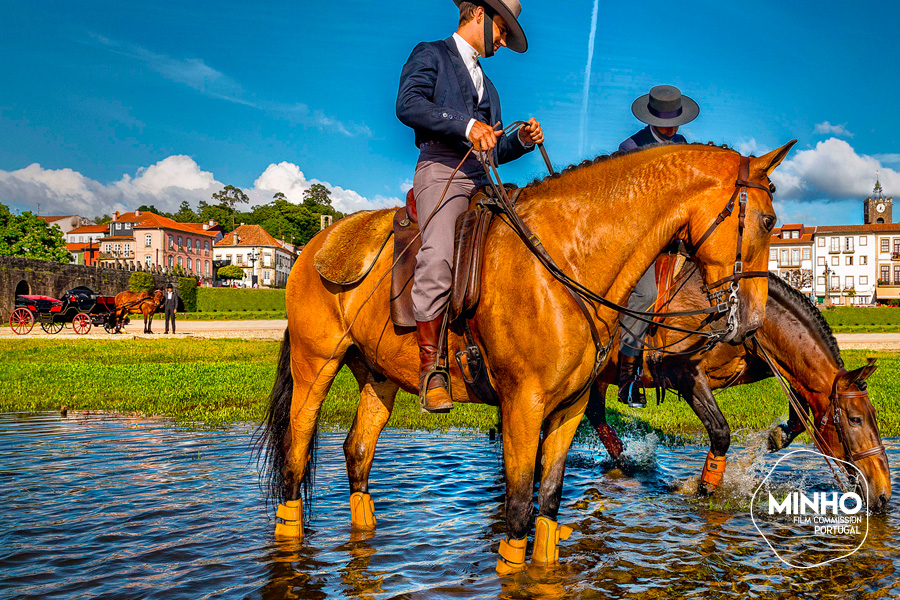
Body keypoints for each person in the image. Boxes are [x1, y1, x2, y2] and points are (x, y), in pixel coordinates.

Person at [396, 0, 543, 412]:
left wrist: (521, 142)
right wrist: (466, 125)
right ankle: (431, 369)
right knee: (440, 253)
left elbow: (492, 150)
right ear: (479, 13)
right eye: (501, 29)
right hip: (442, 169)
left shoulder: (489, 87)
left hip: (482, 177)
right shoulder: (430, 53)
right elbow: (408, 104)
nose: (502, 39)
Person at [616, 85, 699, 408]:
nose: (672, 128)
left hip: (678, 235)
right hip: (642, 237)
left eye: (676, 121)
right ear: (651, 118)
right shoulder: (630, 147)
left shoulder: (682, 144)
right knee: (647, 294)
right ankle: (627, 377)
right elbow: (627, 201)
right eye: (666, 121)